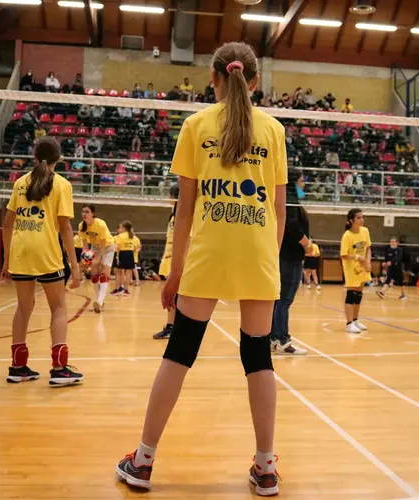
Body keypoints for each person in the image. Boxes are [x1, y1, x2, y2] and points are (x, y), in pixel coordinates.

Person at [115, 42, 287, 496]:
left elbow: (185, 213)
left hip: (208, 255)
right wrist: (267, 261)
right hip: (257, 256)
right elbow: (280, 211)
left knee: (179, 353)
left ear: (214, 79)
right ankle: (266, 467)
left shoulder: (195, 125)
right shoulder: (274, 130)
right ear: (253, 82)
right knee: (258, 358)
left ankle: (143, 460)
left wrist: (174, 271)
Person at [1, 137, 82, 384]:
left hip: (21, 250)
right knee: (58, 307)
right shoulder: (62, 184)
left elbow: (7, 224)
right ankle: (59, 368)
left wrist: (6, 259)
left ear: (34, 156)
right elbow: (65, 227)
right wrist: (75, 265)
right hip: (46, 251)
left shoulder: (20, 182)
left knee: (23, 308)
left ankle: (18, 366)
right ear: (59, 158)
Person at [270, 169, 309, 355]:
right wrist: (307, 244)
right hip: (289, 256)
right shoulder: (289, 201)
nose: (304, 184)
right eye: (302, 181)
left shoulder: (289, 200)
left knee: (280, 300)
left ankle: (274, 339)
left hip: (287, 255)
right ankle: (284, 342)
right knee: (284, 300)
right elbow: (291, 226)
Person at [153, 184, 178, 340]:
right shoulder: (173, 217)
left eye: (171, 195)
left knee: (175, 296)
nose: (169, 198)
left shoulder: (187, 216)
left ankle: (172, 327)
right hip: (169, 258)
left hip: (178, 260)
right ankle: (172, 326)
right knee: (173, 295)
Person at [340, 208, 371, 334]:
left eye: (362, 217)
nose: (361, 220)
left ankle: (355, 319)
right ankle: (348, 323)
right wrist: (357, 257)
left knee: (359, 294)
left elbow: (368, 248)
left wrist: (367, 261)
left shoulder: (365, 231)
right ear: (351, 220)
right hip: (351, 268)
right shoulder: (347, 235)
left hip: (362, 267)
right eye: (358, 218)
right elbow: (343, 255)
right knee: (351, 295)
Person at [79, 204, 115, 313]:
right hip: (95, 247)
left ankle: (99, 302)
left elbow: (104, 244)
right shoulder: (81, 226)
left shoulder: (100, 224)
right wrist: (84, 258)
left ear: (93, 214)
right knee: (94, 276)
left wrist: (98, 258)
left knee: (104, 275)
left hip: (108, 248)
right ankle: (100, 301)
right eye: (83, 212)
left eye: (87, 212)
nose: (84, 214)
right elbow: (85, 245)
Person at [110, 221, 138, 297]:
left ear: (125, 228)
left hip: (122, 253)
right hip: (130, 254)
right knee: (129, 273)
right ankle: (126, 290)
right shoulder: (133, 236)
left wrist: (118, 257)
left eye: (121, 227)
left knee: (118, 272)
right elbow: (136, 247)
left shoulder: (120, 236)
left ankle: (118, 289)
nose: (120, 229)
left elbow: (118, 247)